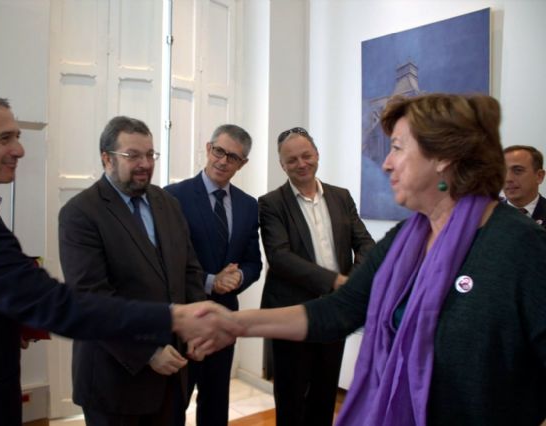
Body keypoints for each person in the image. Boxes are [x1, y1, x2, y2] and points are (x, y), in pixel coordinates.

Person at [0, 92, 241, 426]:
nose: (20, 149)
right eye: (5, 138)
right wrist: (169, 319)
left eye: (17, 136)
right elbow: (64, 304)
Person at [224, 94, 546, 426]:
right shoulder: (407, 238)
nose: (387, 163)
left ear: (442, 157)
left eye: (397, 148)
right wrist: (233, 324)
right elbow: (339, 310)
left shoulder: (522, 245)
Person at [58, 116, 207, 425]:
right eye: (133, 155)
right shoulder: (80, 213)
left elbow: (190, 271)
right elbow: (91, 299)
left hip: (172, 375)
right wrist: (147, 352)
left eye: (150, 154)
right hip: (115, 380)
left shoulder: (168, 203)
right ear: (106, 158)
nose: (145, 164)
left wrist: (196, 327)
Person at [257, 127, 375, 426]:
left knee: (324, 394)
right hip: (291, 313)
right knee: (291, 398)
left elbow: (365, 244)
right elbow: (280, 258)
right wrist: (335, 282)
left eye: (306, 155)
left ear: (317, 155)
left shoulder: (341, 197)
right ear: (282, 165)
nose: (301, 164)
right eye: (292, 159)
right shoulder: (271, 203)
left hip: (335, 312)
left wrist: (353, 283)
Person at [165, 124, 262, 426]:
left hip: (224, 320)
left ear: (242, 163)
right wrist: (210, 281)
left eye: (233, 157)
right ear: (208, 149)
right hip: (184, 321)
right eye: (219, 151)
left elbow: (253, 262)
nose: (223, 161)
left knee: (216, 403)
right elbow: (167, 264)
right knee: (172, 405)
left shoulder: (248, 205)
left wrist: (239, 277)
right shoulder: (173, 197)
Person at [503, 145, 546, 226]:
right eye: (503, 171)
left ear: (539, 176)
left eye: (518, 170)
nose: (508, 179)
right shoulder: (487, 216)